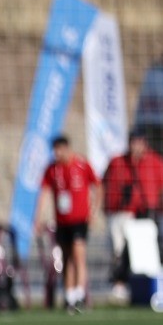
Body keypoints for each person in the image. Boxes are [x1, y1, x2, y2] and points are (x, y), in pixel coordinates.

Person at [100, 131, 163, 302]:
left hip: (147, 213)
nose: (135, 146)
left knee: (145, 250)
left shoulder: (155, 162)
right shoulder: (117, 162)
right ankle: (119, 282)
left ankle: (144, 284)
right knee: (119, 249)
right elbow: (106, 184)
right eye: (133, 142)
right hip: (122, 213)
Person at [39, 134, 101, 313]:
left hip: (79, 220)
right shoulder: (52, 169)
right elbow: (44, 192)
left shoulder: (81, 164)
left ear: (67, 148)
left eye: (59, 149)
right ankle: (69, 296)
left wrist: (93, 211)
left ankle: (80, 295)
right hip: (62, 220)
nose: (57, 153)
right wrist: (39, 218)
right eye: (55, 150)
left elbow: (98, 186)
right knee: (66, 258)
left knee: (78, 256)